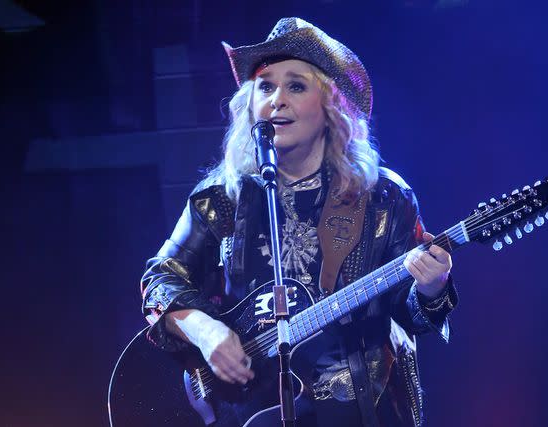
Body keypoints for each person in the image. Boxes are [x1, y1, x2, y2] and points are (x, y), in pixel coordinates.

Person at [140, 17, 457, 427]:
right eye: (266, 86)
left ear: (330, 106)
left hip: (361, 410)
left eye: (296, 85)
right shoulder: (221, 197)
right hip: (251, 411)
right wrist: (206, 331)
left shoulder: (383, 197)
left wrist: (432, 287)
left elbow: (410, 313)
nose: (276, 100)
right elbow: (162, 279)